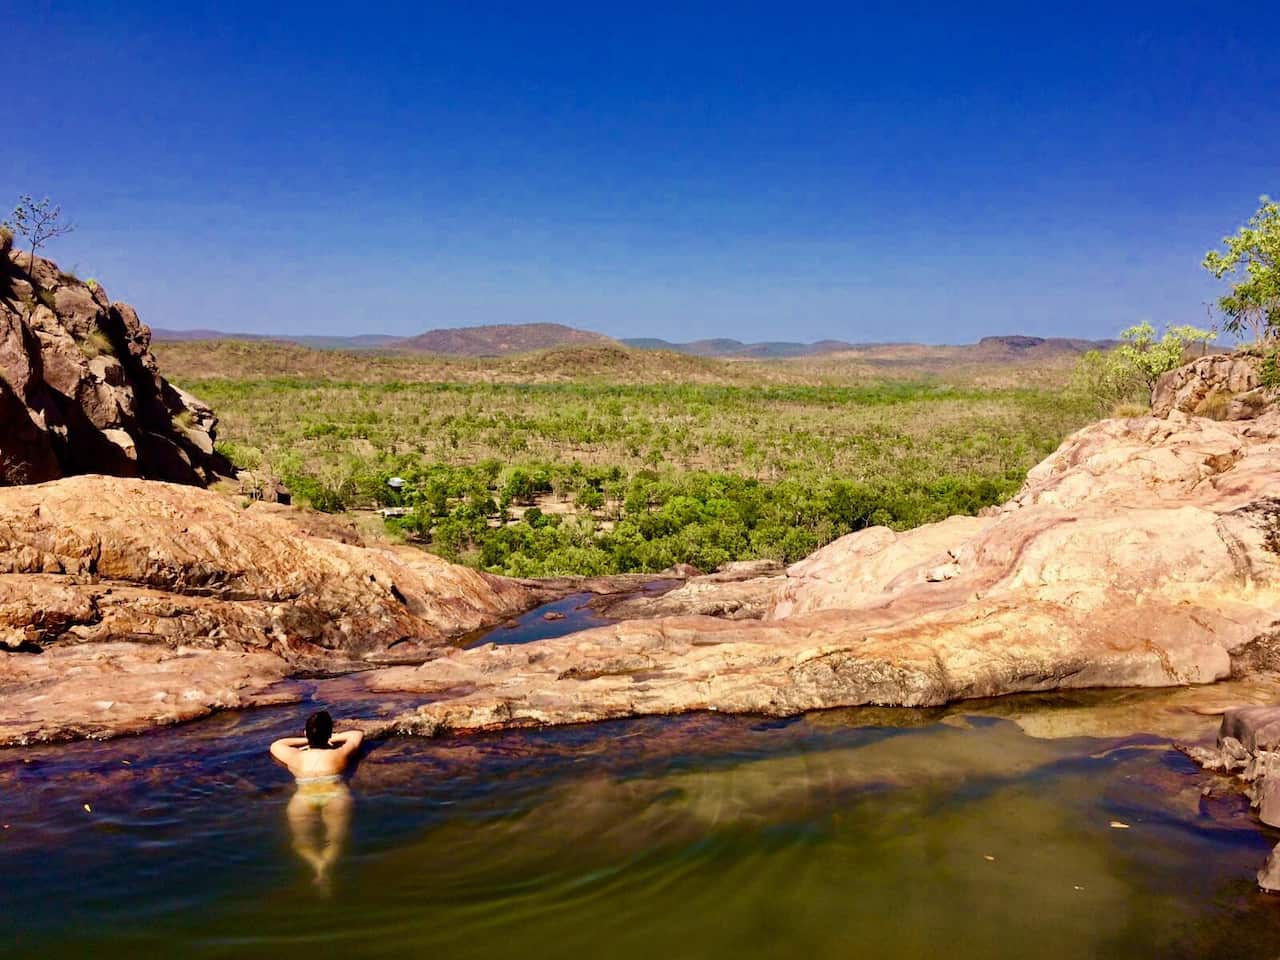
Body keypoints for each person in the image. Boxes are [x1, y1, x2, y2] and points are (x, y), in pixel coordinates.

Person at [269, 710, 364, 890]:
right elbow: (356, 734)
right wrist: (332, 739)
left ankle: (317, 866)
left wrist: (307, 740)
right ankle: (326, 866)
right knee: (335, 840)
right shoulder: (339, 753)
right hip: (335, 794)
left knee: (301, 842)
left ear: (306, 733)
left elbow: (277, 744)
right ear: (328, 734)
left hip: (304, 797)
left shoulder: (295, 756)